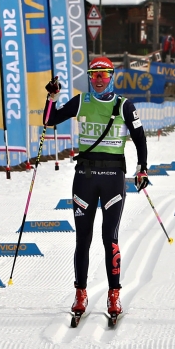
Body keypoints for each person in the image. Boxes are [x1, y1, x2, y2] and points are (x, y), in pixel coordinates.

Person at [43, 57, 150, 320]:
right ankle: (80, 293)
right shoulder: (82, 101)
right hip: (85, 178)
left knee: (109, 238)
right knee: (83, 239)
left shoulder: (124, 105)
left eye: (103, 74)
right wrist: (52, 98)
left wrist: (143, 167)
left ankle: (114, 295)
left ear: (112, 76)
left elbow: (139, 138)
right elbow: (50, 120)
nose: (99, 79)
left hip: (113, 178)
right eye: (94, 75)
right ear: (90, 77)